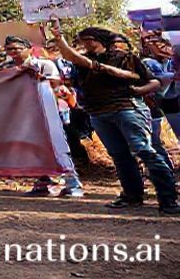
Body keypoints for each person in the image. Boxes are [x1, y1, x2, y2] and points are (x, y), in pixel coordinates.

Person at [48, 22, 180, 214]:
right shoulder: (83, 61)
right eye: (83, 40)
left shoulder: (124, 58)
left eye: (89, 39)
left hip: (126, 108)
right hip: (98, 112)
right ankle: (132, 196)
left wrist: (139, 90)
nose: (86, 43)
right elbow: (74, 60)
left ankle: (168, 199)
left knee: (144, 150)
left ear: (100, 40)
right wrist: (59, 39)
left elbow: (151, 81)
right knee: (119, 156)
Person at [0, 35, 84, 198]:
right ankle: (43, 181)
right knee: (32, 148)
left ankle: (72, 183)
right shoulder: (6, 67)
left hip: (46, 110)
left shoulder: (44, 64)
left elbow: (55, 86)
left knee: (57, 146)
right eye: (10, 49)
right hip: (21, 113)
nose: (14, 52)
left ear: (29, 49)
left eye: (17, 48)